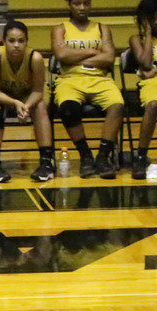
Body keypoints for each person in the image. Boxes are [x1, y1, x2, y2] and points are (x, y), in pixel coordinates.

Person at [52, 0, 124, 178]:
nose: (82, 8)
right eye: (77, 3)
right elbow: (61, 55)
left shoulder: (102, 28)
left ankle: (102, 157)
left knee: (118, 105)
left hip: (100, 79)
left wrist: (74, 57)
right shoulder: (60, 29)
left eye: (86, 3)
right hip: (70, 79)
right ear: (69, 5)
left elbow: (108, 59)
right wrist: (93, 51)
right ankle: (86, 156)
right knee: (68, 109)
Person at [0, 21, 55, 182]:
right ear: (4, 41)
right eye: (12, 41)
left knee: (41, 106)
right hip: (3, 96)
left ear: (27, 42)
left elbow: (38, 91)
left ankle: (46, 162)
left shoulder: (35, 58)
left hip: (29, 96)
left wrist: (26, 106)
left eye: (21, 41)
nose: (16, 45)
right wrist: (16, 103)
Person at [129, 0, 157, 178]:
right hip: (151, 84)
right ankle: (141, 155)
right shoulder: (136, 39)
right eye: (152, 19)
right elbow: (146, 63)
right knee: (154, 105)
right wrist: (147, 33)